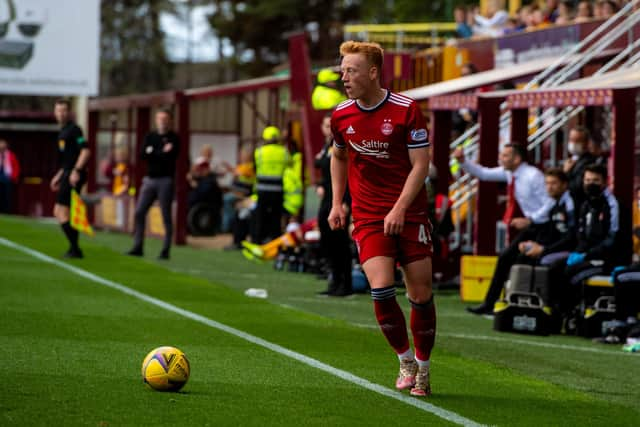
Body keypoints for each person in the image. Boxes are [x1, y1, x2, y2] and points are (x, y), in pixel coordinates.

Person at [329, 41, 435, 397]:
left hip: (410, 211)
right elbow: (339, 157)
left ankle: (424, 366)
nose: (345, 77)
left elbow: (422, 165)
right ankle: (405, 359)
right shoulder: (341, 115)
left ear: (373, 73)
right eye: (343, 70)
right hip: (370, 214)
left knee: (420, 292)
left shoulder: (406, 109)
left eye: (351, 70)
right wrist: (337, 203)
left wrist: (401, 208)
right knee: (380, 288)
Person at [467, 168, 575, 314]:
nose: (549, 187)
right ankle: (507, 304)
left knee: (529, 260)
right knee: (512, 257)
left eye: (553, 183)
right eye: (547, 183)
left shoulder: (564, 201)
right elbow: (484, 174)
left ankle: (544, 308)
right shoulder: (556, 202)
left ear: (564, 185)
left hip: (546, 233)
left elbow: (570, 236)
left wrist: (542, 247)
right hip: (540, 231)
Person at [454, 143, 553, 239]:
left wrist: (530, 220)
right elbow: (484, 174)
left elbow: (550, 202)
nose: (500, 159)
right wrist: (463, 161)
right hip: (532, 226)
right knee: (508, 255)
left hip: (545, 226)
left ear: (517, 159)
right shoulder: (509, 172)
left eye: (505, 156)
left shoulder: (533, 175)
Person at [558, 164, 619, 315]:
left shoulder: (611, 205)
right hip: (587, 255)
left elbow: (612, 239)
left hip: (606, 260)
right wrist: (579, 252)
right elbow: (581, 235)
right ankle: (557, 311)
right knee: (556, 267)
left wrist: (587, 255)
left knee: (570, 273)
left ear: (605, 182)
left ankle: (568, 314)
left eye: (596, 180)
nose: (591, 184)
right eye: (587, 180)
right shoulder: (586, 204)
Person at [127, 109, 179, 260]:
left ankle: (165, 249)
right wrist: (160, 152)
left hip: (165, 180)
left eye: (165, 119)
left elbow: (169, 156)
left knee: (165, 215)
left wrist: (154, 153)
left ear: (170, 121)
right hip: (150, 179)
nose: (162, 121)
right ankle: (138, 246)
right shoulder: (150, 136)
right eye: (160, 118)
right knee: (139, 212)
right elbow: (143, 154)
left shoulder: (174, 138)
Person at [315, 114, 353, 297]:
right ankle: (334, 280)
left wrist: (346, 202)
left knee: (340, 242)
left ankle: (345, 284)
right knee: (327, 240)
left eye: (330, 125)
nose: (327, 128)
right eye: (324, 124)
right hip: (327, 199)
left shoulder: (341, 145)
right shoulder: (325, 147)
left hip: (338, 199)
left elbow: (348, 173)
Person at [49, 99, 91, 258]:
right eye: (58, 110)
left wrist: (76, 171)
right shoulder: (62, 131)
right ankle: (75, 248)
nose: (61, 113)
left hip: (74, 174)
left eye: (64, 110)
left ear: (69, 112)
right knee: (58, 211)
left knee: (62, 211)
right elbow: (67, 160)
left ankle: (75, 249)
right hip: (67, 173)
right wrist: (58, 176)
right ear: (55, 112)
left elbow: (85, 151)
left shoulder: (75, 130)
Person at [253, 126, 290, 243]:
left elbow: (255, 168)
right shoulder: (284, 152)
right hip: (278, 190)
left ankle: (257, 240)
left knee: (260, 216)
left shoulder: (259, 152)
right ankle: (275, 242)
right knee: (276, 217)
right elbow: (289, 166)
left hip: (262, 190)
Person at [563, 126, 595, 208]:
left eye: (577, 141)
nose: (573, 143)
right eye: (571, 140)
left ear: (586, 143)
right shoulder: (570, 160)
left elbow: (577, 187)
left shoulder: (589, 161)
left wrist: (565, 173)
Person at [0, 138, 20, 213]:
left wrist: (13, 177)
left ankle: (6, 211)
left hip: (8, 178)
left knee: (7, 197)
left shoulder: (10, 155)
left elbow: (16, 167)